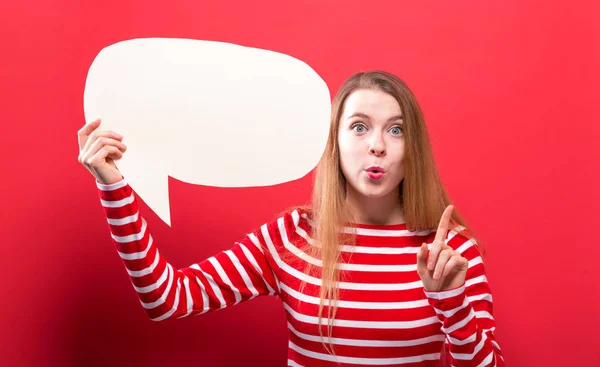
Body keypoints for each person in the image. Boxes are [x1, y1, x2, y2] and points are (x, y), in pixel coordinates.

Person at [77, 70, 504, 366]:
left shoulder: (450, 252)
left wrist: (452, 302)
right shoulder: (292, 236)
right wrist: (115, 188)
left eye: (396, 130)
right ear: (333, 142)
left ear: (414, 150)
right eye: (359, 127)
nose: (377, 145)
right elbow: (167, 299)